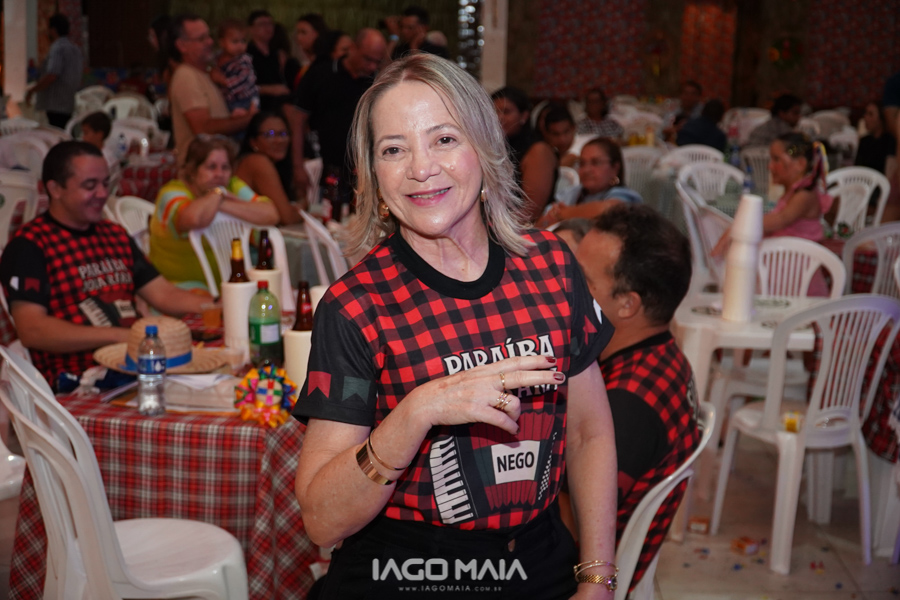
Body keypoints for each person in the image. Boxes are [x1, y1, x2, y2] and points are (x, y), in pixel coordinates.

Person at [292, 53, 619, 599]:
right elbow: (322, 522)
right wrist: (416, 411)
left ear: (485, 149)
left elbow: (590, 433)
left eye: (444, 139)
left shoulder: (551, 266)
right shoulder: (355, 307)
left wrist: (598, 578)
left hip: (538, 563)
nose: (421, 168)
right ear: (374, 174)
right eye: (393, 149)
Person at [0, 141, 211, 388]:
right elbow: (32, 330)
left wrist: (218, 305)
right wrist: (120, 335)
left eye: (105, 183)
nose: (102, 194)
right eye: (90, 186)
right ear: (55, 189)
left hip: (136, 368)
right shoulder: (30, 246)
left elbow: (163, 294)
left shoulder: (114, 234)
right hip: (78, 381)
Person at [574, 203, 699, 595]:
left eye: (581, 280)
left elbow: (574, 528)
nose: (565, 286)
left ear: (627, 304)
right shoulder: (663, 355)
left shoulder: (627, 407)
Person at [149, 135, 278, 289]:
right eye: (211, 167)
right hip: (176, 287)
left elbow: (271, 214)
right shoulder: (172, 192)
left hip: (227, 285)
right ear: (192, 171)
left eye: (225, 167)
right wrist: (218, 194)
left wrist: (221, 202)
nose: (219, 174)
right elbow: (193, 219)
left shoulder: (231, 185)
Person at [286, 28, 387, 208]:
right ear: (353, 48)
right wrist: (297, 166)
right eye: (368, 59)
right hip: (323, 166)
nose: (372, 66)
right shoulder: (321, 73)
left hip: (361, 170)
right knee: (324, 213)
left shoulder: (377, 82)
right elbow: (298, 120)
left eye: (377, 62)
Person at [714, 132, 832, 251]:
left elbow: (781, 219)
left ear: (800, 164)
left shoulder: (805, 195)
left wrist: (743, 224)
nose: (769, 166)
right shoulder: (793, 191)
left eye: (776, 159)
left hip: (797, 259)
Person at [167, 14, 256, 165]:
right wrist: (250, 119)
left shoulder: (207, 74)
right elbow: (203, 128)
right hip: (201, 172)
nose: (210, 42)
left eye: (209, 36)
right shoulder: (186, 76)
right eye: (201, 39)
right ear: (182, 45)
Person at [541, 137, 642, 227]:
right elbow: (541, 224)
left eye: (595, 162)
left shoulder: (624, 194)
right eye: (582, 163)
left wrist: (563, 213)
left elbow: (610, 210)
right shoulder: (571, 193)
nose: (586, 170)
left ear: (615, 168)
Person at [492, 86, 558, 221]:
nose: (498, 117)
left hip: (524, 227)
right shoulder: (493, 148)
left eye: (506, 111)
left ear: (524, 116)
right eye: (494, 112)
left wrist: (492, 228)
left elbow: (531, 211)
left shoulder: (538, 151)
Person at [235, 110, 302, 223]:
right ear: (253, 142)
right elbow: (288, 218)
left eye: (283, 134)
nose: (279, 140)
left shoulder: (274, 164)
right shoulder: (257, 162)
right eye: (269, 134)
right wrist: (303, 206)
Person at [26, 14, 84, 129]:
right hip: (68, 102)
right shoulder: (75, 48)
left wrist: (33, 90)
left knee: (55, 132)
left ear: (53, 30)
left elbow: (52, 74)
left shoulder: (58, 48)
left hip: (55, 103)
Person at [246, 10, 291, 112]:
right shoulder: (246, 55)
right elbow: (243, 87)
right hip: (259, 107)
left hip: (281, 104)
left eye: (270, 24)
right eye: (262, 24)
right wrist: (270, 89)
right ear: (251, 29)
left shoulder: (277, 54)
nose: (267, 28)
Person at [213, 19, 259, 115]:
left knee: (240, 117)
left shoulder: (243, 61)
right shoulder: (217, 58)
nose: (240, 45)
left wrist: (223, 80)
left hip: (244, 99)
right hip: (229, 99)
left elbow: (241, 80)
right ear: (222, 43)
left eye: (243, 41)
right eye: (235, 41)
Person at [855, 101, 896, 175]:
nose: (865, 117)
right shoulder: (864, 141)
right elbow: (857, 169)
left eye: (870, 114)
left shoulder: (890, 141)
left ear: (880, 119)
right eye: (865, 113)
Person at [293, 13, 329, 87]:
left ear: (317, 34)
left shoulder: (325, 64)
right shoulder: (304, 63)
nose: (299, 37)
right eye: (298, 32)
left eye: (303, 32)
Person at [543, 104, 579, 168]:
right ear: (547, 134)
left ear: (574, 128)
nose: (562, 139)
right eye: (556, 134)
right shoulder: (547, 152)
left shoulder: (587, 143)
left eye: (566, 132)